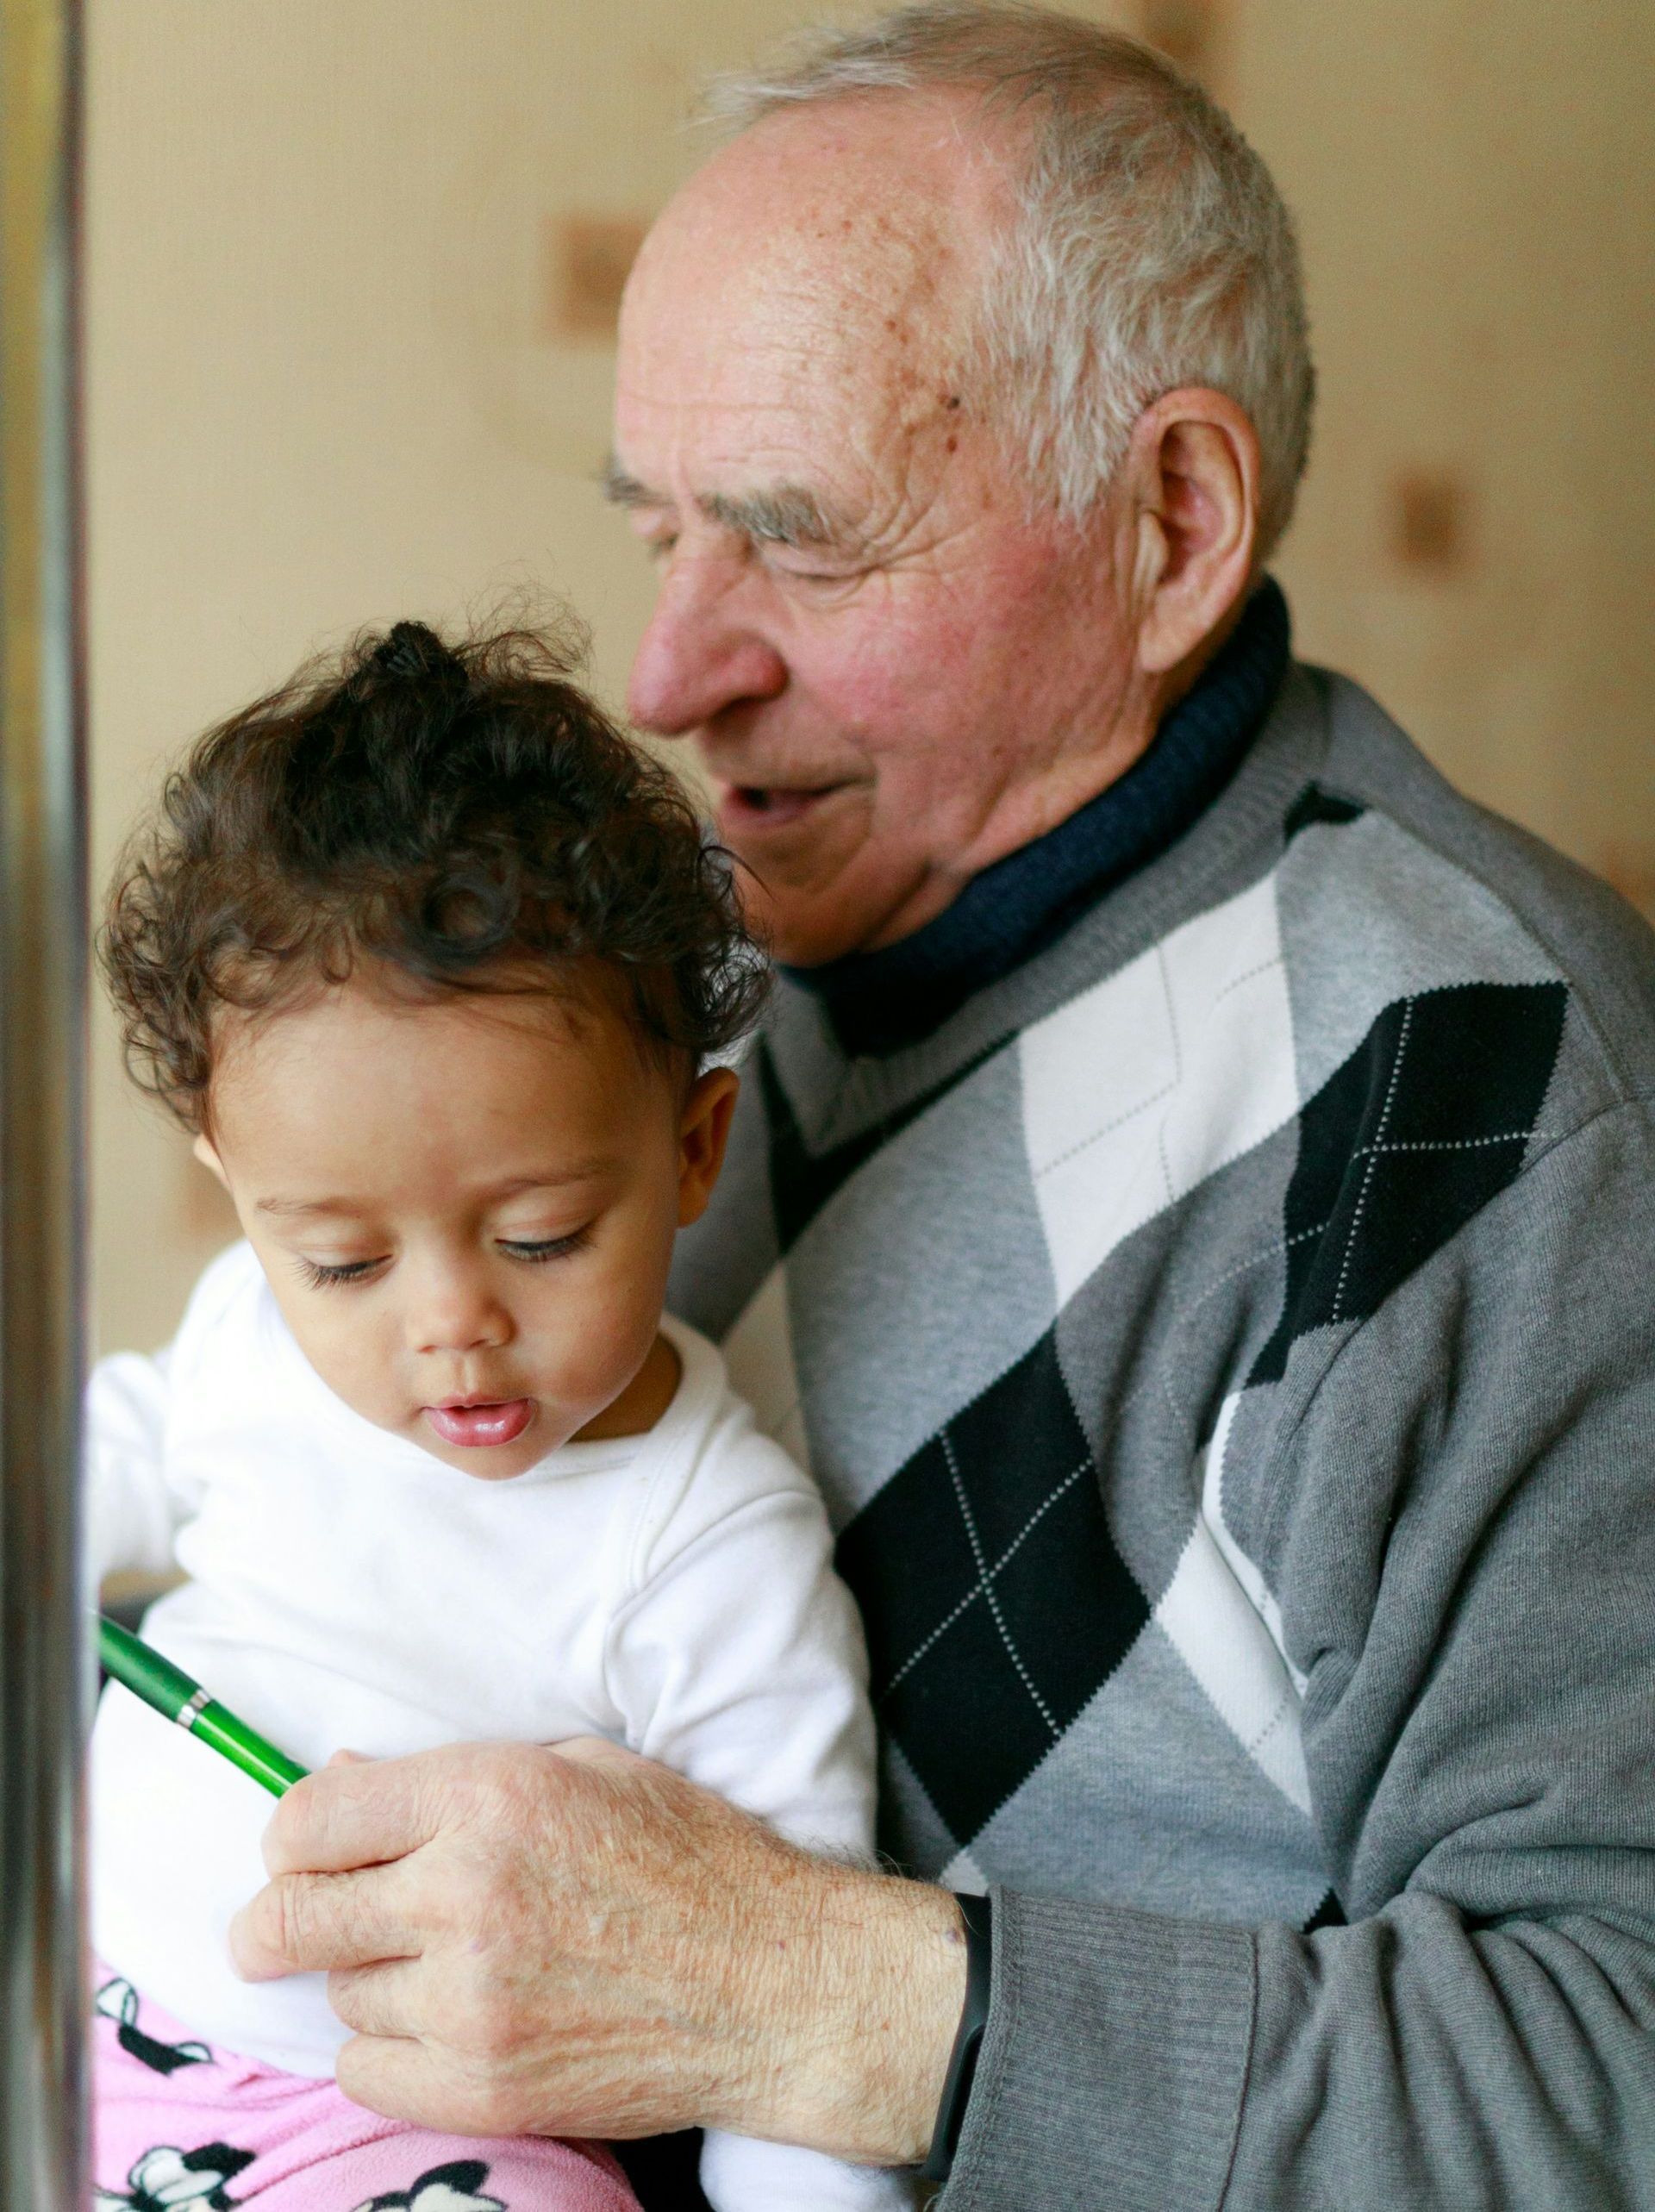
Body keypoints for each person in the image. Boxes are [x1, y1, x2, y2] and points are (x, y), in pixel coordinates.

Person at [228, 8, 1655, 2207]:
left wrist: (798, 1993)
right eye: (663, 534)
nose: (668, 675)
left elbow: (1616, 2059)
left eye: (798, 545)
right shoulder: (706, 955)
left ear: (1171, 525)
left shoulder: (1494, 1116)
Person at [87, 617, 915, 2212]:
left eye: (539, 1237)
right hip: (88, 1997)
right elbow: (109, 1456)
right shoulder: (252, 1340)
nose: (449, 1323)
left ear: (691, 1148)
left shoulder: (709, 1541)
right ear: (236, 1186)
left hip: (396, 2129)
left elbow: (784, 2010)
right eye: (338, 1256)